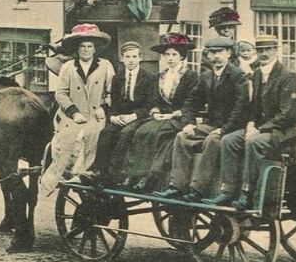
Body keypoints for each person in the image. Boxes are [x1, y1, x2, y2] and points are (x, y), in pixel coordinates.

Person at [206, 34, 296, 210]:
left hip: (280, 132)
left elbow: (286, 114)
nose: (264, 53)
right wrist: (250, 123)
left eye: (268, 49)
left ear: (275, 51)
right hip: (259, 128)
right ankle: (227, 190)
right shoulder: (257, 74)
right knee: (228, 139)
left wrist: (259, 129)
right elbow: (253, 107)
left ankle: (247, 192)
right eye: (260, 50)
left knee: (252, 141)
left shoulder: (288, 77)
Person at [157, 37, 249, 201]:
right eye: (212, 52)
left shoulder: (238, 76)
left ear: (228, 53)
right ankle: (177, 186)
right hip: (213, 125)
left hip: (235, 127)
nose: (216, 56)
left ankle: (198, 189)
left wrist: (224, 129)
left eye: (220, 52)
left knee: (213, 140)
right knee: (182, 137)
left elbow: (240, 107)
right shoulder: (207, 76)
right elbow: (192, 102)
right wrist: (188, 123)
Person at [39, 24, 114, 194]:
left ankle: (85, 173)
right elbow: (61, 94)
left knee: (92, 134)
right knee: (65, 138)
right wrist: (74, 112)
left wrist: (103, 108)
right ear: (77, 49)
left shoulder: (105, 66)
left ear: (95, 49)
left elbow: (111, 91)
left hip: (96, 114)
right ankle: (62, 174)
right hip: (73, 114)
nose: (86, 50)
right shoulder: (68, 67)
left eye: (89, 46)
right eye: (82, 46)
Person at [123, 33, 198, 191]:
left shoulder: (190, 76)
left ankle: (151, 175)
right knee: (141, 131)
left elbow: (192, 102)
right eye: (167, 54)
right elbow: (154, 99)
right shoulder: (161, 75)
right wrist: (155, 111)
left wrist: (173, 114)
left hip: (179, 116)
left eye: (174, 54)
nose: (170, 58)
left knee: (158, 133)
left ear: (182, 56)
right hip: (161, 116)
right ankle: (135, 173)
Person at [91, 41, 155, 181]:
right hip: (121, 116)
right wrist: (113, 116)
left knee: (126, 133)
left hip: (139, 117)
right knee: (106, 132)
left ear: (140, 58)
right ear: (122, 59)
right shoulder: (117, 78)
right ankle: (99, 170)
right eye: (127, 57)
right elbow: (113, 103)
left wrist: (134, 116)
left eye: (134, 57)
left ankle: (116, 173)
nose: (131, 60)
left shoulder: (149, 78)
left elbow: (150, 104)